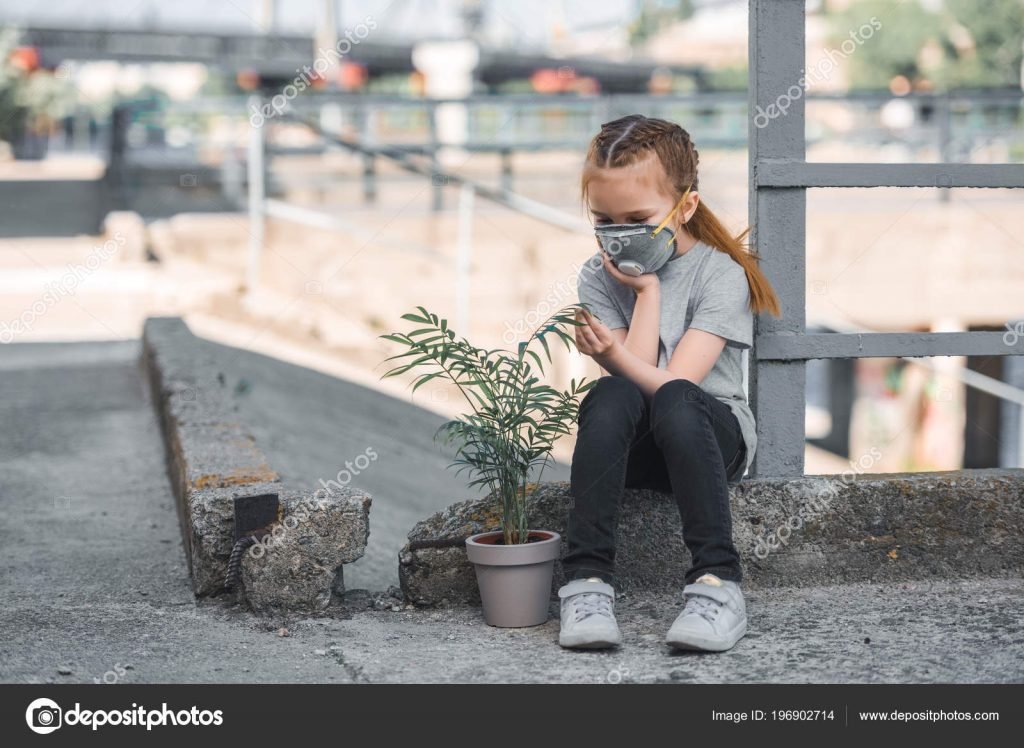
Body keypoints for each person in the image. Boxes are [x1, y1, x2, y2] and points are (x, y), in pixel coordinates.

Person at [559, 115, 781, 652]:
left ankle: (718, 586)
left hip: (706, 439)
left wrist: (636, 317)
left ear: (685, 207)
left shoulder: (721, 272)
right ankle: (586, 583)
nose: (619, 233)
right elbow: (632, 394)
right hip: (636, 448)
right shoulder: (598, 274)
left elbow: (675, 388)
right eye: (604, 219)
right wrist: (646, 294)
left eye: (636, 217)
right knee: (609, 392)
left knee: (678, 397)